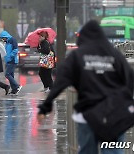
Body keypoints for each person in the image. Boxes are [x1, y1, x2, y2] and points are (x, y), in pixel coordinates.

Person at [37, 20, 134, 154]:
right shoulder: (115, 55)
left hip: (87, 114)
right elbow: (129, 79)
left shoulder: (77, 56)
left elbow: (61, 81)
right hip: (114, 115)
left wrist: (45, 107)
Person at [0, 30, 22, 95]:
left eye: (3, 38)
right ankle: (14, 89)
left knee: (7, 74)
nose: (3, 39)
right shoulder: (7, 42)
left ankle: (17, 86)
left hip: (12, 60)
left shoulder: (12, 40)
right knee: (11, 75)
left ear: (6, 36)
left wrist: (10, 56)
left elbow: (15, 50)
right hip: (8, 60)